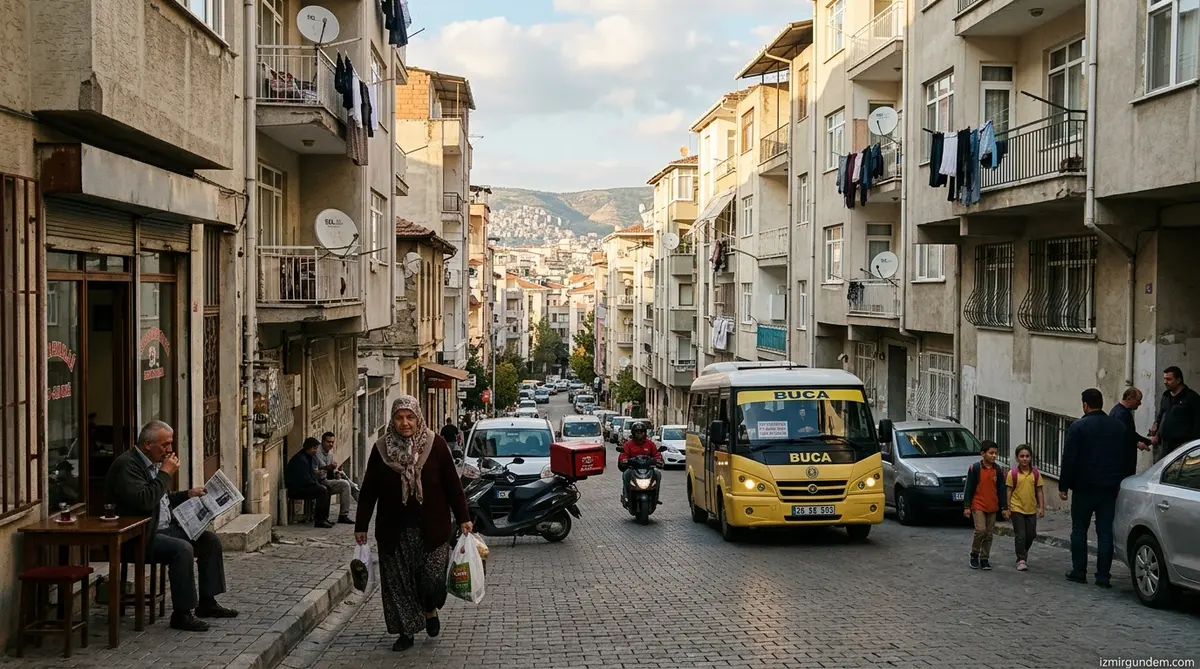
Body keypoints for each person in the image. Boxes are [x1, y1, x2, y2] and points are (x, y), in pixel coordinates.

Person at [355, 396, 471, 652]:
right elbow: (369, 491)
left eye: (410, 417)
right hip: (393, 529)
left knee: (430, 579)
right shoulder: (381, 450)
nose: (405, 423)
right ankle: (405, 630)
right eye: (399, 418)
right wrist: (360, 525)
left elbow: (453, 486)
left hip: (433, 528)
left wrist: (464, 518)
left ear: (418, 418)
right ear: (393, 420)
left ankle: (429, 609)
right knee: (398, 583)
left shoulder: (435, 444)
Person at [104, 421, 238, 632]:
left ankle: (207, 602)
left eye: (170, 444)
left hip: (164, 528)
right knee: (182, 550)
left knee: (209, 540)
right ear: (147, 444)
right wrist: (165, 474)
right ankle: (182, 614)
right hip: (140, 536)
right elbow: (145, 500)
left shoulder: (153, 462)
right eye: (165, 444)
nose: (169, 449)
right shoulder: (127, 466)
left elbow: (161, 499)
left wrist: (187, 494)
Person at [1059, 388, 1127, 588]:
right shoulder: (1118, 427)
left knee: (1079, 529)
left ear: (1085, 405)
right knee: (1105, 532)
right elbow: (1124, 458)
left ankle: (1079, 571)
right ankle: (1103, 576)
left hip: (1084, 487)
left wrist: (1064, 485)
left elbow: (1069, 458)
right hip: (1108, 489)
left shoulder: (1078, 427)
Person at [962, 440, 1009, 571]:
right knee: (980, 530)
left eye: (996, 453)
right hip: (978, 505)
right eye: (991, 453)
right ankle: (974, 554)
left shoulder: (998, 470)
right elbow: (969, 488)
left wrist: (1004, 507)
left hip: (992, 506)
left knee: (989, 534)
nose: (994, 456)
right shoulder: (975, 468)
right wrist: (967, 506)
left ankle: (984, 558)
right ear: (983, 454)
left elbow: (1001, 489)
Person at [1005, 444, 1044, 572]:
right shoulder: (1013, 474)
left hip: (1031, 508)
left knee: (1031, 534)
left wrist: (1041, 507)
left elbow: (1039, 491)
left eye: (1027, 456)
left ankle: (1023, 551)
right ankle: (1021, 559)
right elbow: (1009, 491)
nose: (1025, 459)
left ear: (1031, 458)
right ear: (1017, 458)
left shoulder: (1036, 473)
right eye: (1022, 456)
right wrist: (1008, 507)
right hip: (1017, 508)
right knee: (1020, 535)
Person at [1149, 366, 1200, 464]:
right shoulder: (1166, 396)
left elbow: (1197, 423)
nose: (1165, 382)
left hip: (1183, 447)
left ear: (1178, 380)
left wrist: (1193, 446)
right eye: (1164, 378)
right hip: (1165, 446)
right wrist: (1156, 431)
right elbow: (1161, 415)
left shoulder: (1192, 398)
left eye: (1168, 379)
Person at [286, 438, 333, 529]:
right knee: (322, 491)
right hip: (298, 488)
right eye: (314, 449)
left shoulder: (310, 457)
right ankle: (319, 520)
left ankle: (324, 517)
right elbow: (304, 479)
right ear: (308, 448)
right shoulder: (300, 459)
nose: (315, 451)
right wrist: (316, 483)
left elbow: (312, 472)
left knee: (328, 488)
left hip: (306, 485)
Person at [314, 431, 356, 524]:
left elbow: (332, 470)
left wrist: (336, 473)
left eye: (332, 442)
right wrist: (328, 467)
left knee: (345, 484)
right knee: (344, 484)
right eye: (328, 442)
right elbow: (317, 470)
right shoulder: (316, 452)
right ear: (323, 441)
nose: (331, 444)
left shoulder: (330, 454)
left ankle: (343, 515)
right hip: (317, 481)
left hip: (325, 480)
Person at [618, 421, 662, 506]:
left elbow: (656, 454)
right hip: (633, 469)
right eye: (637, 432)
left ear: (645, 433)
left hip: (648, 469)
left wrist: (658, 460)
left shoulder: (650, 444)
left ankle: (655, 496)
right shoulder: (628, 444)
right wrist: (624, 460)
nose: (639, 434)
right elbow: (623, 455)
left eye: (641, 432)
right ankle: (627, 496)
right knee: (625, 474)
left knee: (658, 474)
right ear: (633, 433)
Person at [1110, 387, 1150, 477]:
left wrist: (1148, 441)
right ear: (1129, 399)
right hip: (1123, 462)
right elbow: (1125, 435)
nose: (1140, 403)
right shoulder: (1121, 414)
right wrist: (1137, 443)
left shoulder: (1119, 411)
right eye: (1138, 400)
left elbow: (1130, 433)